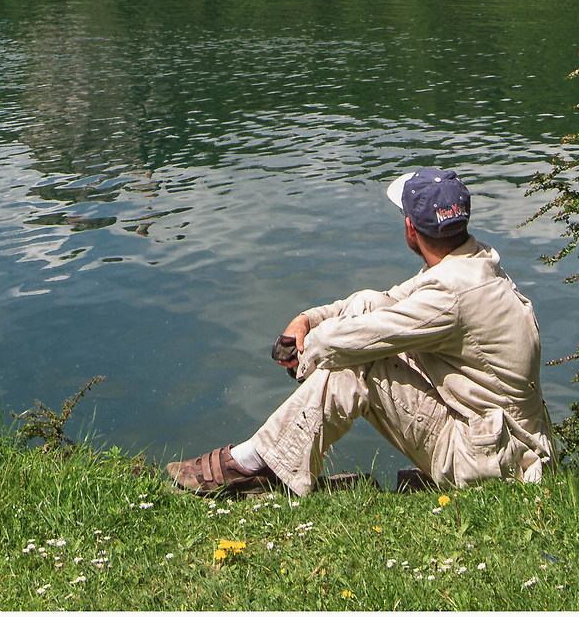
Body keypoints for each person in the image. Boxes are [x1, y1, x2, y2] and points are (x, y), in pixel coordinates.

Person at [164, 168, 555, 498]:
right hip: (503, 442)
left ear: (410, 229)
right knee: (366, 305)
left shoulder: (450, 295)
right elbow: (382, 302)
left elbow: (352, 342)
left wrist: (306, 355)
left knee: (356, 363)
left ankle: (251, 464)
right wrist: (308, 320)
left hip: (495, 463)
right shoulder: (473, 262)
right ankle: (262, 460)